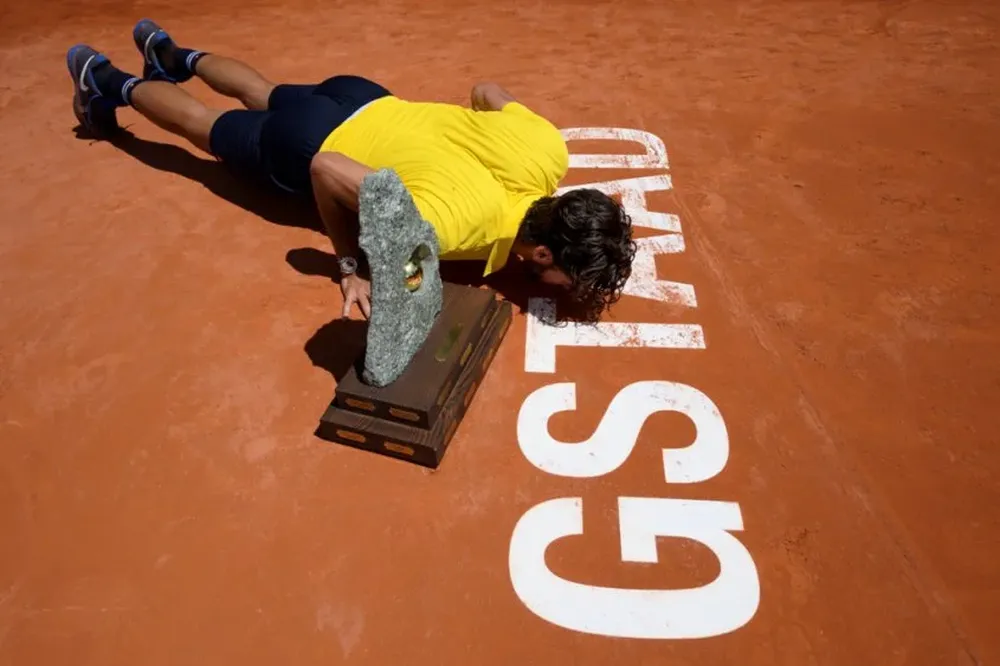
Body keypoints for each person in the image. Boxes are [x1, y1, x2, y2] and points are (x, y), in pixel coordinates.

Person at [66, 20, 636, 321]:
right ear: (541, 254)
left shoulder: (546, 150)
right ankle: (105, 80)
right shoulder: (448, 226)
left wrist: (447, 141)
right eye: (574, 278)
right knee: (200, 125)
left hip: (362, 96)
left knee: (262, 90)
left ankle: (173, 56)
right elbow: (327, 167)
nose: (576, 290)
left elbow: (486, 91)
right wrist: (350, 266)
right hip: (308, 142)